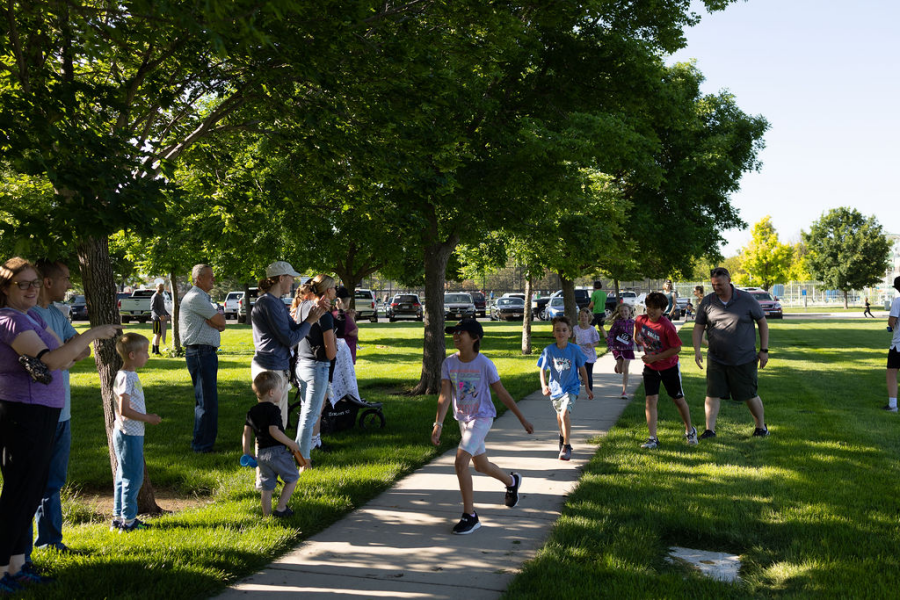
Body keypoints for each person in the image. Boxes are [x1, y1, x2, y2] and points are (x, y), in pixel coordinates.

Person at [0, 257, 119, 592]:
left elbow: (66, 356)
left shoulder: (33, 316)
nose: (31, 289)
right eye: (22, 284)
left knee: (33, 491)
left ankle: (17, 566)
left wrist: (64, 355)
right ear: (6, 288)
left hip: (46, 411)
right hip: (22, 411)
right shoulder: (8, 320)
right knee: (19, 493)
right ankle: (1, 573)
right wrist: (93, 333)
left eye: (34, 283)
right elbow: (52, 360)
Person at [431, 319, 533, 535]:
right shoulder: (449, 363)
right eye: (454, 332)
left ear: (475, 338)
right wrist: (438, 423)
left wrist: (522, 418)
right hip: (463, 419)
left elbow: (501, 392)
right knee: (481, 466)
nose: (456, 336)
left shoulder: (484, 364)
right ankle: (511, 481)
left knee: (460, 462)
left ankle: (470, 516)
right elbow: (445, 395)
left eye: (462, 333)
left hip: (482, 418)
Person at [25, 260, 90, 556]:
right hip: (37, 411)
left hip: (63, 411)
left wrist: (68, 352)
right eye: (64, 278)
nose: (68, 284)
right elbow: (50, 358)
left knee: (54, 481)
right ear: (47, 282)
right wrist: (66, 352)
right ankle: (19, 551)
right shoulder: (28, 316)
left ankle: (51, 540)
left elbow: (83, 350)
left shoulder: (57, 313)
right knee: (27, 482)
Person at [692, 267, 770, 438]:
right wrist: (697, 350)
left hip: (744, 358)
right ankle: (709, 430)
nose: (716, 288)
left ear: (729, 280)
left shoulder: (746, 299)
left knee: (749, 394)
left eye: (719, 284)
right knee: (712, 393)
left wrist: (763, 350)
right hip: (716, 358)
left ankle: (761, 427)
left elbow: (762, 323)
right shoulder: (708, 301)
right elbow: (698, 328)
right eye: (713, 285)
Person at [250, 261, 325, 428]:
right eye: (291, 277)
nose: (293, 281)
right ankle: (266, 455)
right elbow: (290, 339)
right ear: (281, 278)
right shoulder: (268, 302)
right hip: (270, 368)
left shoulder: (276, 302)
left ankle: (276, 454)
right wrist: (310, 321)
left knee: (280, 423)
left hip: (278, 367)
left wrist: (313, 316)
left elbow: (294, 330)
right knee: (271, 426)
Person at [634, 292, 698, 449]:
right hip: (651, 368)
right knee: (650, 400)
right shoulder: (640, 320)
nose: (651, 311)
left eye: (656, 308)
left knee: (678, 399)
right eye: (649, 307)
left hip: (669, 367)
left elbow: (677, 348)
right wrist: (641, 342)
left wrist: (655, 357)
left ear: (663, 309)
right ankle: (652, 438)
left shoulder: (667, 326)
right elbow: (636, 337)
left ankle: (690, 431)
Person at [112, 333, 161, 532]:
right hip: (129, 434)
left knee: (124, 475)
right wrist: (148, 418)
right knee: (133, 478)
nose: (148, 356)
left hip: (129, 433)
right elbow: (124, 410)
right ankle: (129, 521)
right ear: (132, 355)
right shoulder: (126, 377)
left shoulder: (127, 375)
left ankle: (119, 517)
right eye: (145, 352)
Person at [179, 264, 226, 453]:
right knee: (206, 402)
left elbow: (221, 324)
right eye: (210, 276)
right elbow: (221, 322)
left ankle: (203, 443)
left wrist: (217, 323)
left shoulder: (202, 297)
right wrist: (217, 323)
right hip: (201, 353)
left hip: (204, 353)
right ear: (198, 278)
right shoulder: (196, 297)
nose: (214, 279)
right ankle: (202, 446)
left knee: (207, 400)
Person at [293, 274, 338, 469]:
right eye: (334, 288)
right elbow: (330, 353)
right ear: (327, 291)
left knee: (306, 413)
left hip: (301, 365)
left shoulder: (303, 306)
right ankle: (304, 461)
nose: (336, 292)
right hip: (316, 367)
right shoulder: (324, 315)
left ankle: (298, 453)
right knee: (309, 417)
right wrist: (335, 340)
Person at [242, 371, 302, 517]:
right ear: (271, 392)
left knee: (267, 487)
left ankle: (267, 517)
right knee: (293, 477)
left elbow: (246, 433)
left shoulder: (252, 411)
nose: (282, 391)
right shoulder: (274, 410)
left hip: (261, 454)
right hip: (277, 452)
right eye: (280, 389)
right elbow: (274, 431)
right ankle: (281, 508)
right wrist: (291, 443)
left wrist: (246, 451)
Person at [538, 316, 594, 461]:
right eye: (558, 330)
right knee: (559, 416)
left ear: (570, 333)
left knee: (564, 414)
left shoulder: (574, 350)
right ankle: (562, 436)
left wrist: (587, 387)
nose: (561, 333)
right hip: (556, 390)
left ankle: (566, 446)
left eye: (564, 330)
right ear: (553, 333)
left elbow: (583, 370)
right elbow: (542, 369)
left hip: (571, 388)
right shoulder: (548, 350)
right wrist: (544, 386)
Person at [606, 303, 636, 399]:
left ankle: (624, 391)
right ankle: (617, 366)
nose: (623, 312)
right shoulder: (617, 323)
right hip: (618, 348)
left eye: (625, 311)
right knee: (620, 370)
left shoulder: (633, 323)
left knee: (626, 369)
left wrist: (639, 345)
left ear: (630, 311)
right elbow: (611, 334)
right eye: (621, 311)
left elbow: (637, 335)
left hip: (628, 348)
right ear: (619, 312)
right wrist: (610, 345)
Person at [883, 276, 900, 412]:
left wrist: (891, 325)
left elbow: (891, 322)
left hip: (898, 345)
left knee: (892, 372)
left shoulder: (898, 302)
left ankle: (893, 404)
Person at [573, 308, 600, 391]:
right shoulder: (576, 328)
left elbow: (597, 342)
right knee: (581, 371)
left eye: (585, 316)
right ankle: (583, 378)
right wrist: (573, 347)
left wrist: (591, 345)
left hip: (589, 354)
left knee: (589, 374)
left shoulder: (592, 329)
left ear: (589, 317)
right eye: (581, 316)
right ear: (579, 317)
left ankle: (590, 392)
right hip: (579, 353)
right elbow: (574, 339)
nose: (583, 318)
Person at [150, 283, 170, 355]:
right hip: (156, 318)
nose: (161, 288)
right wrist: (160, 315)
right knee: (158, 334)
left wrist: (166, 314)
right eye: (160, 287)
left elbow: (162, 308)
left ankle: (153, 349)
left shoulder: (161, 296)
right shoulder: (155, 296)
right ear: (156, 288)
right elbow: (153, 308)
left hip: (161, 318)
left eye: (162, 287)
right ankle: (156, 351)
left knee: (158, 334)